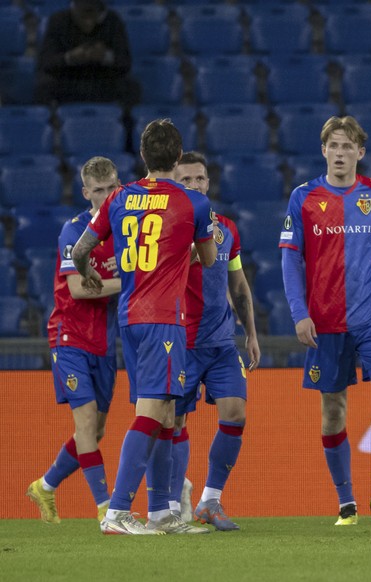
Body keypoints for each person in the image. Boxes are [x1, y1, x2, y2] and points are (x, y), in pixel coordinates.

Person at [72, 119, 216, 535]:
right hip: (162, 318)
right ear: (177, 155)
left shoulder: (118, 197)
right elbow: (206, 260)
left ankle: (160, 513)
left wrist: (92, 275)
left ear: (143, 156)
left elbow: (82, 249)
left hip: (129, 316)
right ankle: (116, 512)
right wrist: (182, 250)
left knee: (166, 413)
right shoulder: (192, 203)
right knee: (153, 413)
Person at [280, 116, 371, 527]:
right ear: (323, 151)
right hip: (325, 320)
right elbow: (289, 259)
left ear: (360, 153)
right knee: (333, 412)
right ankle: (346, 501)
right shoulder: (304, 197)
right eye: (333, 145)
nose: (339, 153)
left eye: (347, 146)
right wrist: (299, 313)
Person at [146, 151, 258, 532]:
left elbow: (237, 284)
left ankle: (210, 500)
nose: (195, 185)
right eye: (186, 180)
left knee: (235, 412)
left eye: (200, 179)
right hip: (179, 341)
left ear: (209, 184)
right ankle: (170, 503)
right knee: (172, 422)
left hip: (222, 342)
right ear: (175, 184)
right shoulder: (164, 228)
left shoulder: (225, 229)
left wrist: (251, 333)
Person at [26, 157, 122, 525]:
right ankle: (106, 508)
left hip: (104, 341)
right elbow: (80, 289)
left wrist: (117, 279)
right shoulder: (75, 232)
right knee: (85, 425)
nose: (105, 196)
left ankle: (45, 486)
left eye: (111, 188)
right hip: (69, 337)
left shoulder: (126, 232)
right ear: (86, 193)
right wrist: (128, 281)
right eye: (98, 190)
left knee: (95, 431)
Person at [35, 0, 140, 107]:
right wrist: (70, 57)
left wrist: (105, 56)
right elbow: (46, 62)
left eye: (92, 15)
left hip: (102, 80)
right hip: (69, 80)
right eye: (83, 17)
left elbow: (125, 62)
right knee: (44, 86)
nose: (88, 23)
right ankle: (54, 119)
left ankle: (120, 121)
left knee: (131, 87)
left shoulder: (113, 20)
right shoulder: (58, 20)